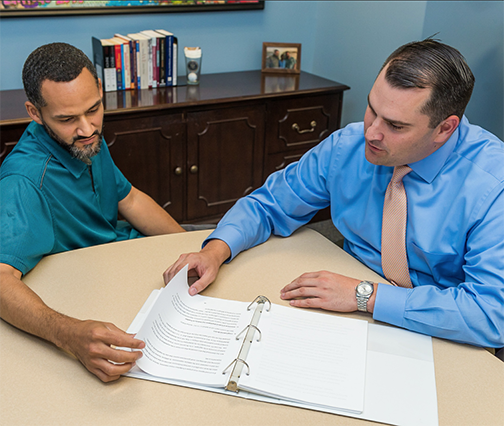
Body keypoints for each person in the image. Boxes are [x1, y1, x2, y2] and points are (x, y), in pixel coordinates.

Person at [164, 39, 504, 349]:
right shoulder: (347, 146)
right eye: (372, 109)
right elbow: (269, 205)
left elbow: (490, 314)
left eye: (395, 126)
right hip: (346, 315)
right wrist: (215, 250)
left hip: (443, 332)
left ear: (445, 128)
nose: (371, 132)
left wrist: (365, 296)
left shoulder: (492, 186)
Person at [0, 42, 186, 382]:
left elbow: (128, 199)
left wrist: (192, 250)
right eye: (68, 119)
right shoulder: (23, 181)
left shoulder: (84, 140)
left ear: (100, 92)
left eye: (94, 109)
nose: (87, 129)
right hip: (83, 294)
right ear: (35, 113)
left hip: (116, 259)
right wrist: (68, 334)